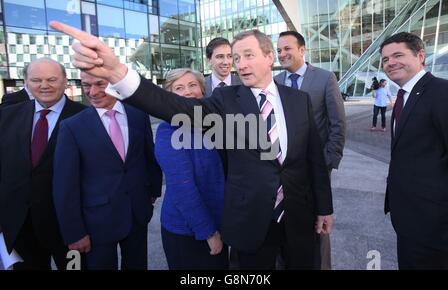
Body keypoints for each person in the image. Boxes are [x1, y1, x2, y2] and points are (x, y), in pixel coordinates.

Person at [50, 21, 333, 270]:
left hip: (299, 217)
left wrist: (324, 207)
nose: (241, 64)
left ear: (270, 56)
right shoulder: (226, 101)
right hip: (252, 224)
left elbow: (314, 161)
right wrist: (117, 72)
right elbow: (171, 105)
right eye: (236, 58)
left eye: (249, 55)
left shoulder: (299, 100)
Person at [52, 71, 162, 270]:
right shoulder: (72, 127)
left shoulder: (137, 114)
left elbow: (148, 156)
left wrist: (153, 190)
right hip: (96, 222)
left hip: (137, 212)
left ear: (114, 83)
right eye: (86, 85)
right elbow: (64, 186)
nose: (92, 92)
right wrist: (74, 232)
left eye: (100, 84)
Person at [0, 58, 86, 269]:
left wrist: (82, 228)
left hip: (69, 229)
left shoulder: (86, 117)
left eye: (52, 79)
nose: (44, 85)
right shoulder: (6, 116)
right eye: (36, 79)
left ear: (65, 81)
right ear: (26, 82)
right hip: (20, 227)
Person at [275, 30, 346, 270]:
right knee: (290, 222)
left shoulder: (325, 78)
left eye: (287, 48)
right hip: (286, 170)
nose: (282, 54)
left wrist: (326, 162)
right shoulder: (276, 81)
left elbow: (337, 123)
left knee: (319, 222)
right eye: (279, 50)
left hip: (316, 167)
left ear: (302, 50)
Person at [380, 32, 448, 269]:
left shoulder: (443, 93)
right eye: (385, 59)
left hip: (437, 224)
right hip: (410, 218)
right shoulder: (404, 96)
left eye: (398, 55)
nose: (390, 63)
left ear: (421, 56)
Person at [155, 68, 228, 269]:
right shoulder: (168, 130)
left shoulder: (212, 124)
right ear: (170, 96)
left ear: (202, 90)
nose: (188, 92)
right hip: (188, 231)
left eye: (192, 85)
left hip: (219, 223)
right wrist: (208, 232)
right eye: (179, 88)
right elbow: (182, 187)